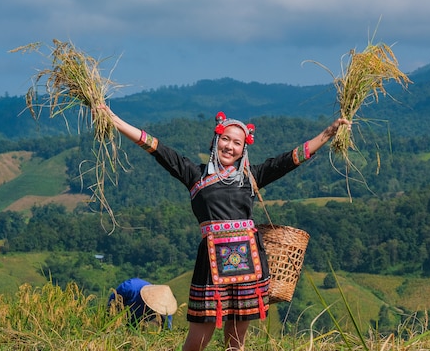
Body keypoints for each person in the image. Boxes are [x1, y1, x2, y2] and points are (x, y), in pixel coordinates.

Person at [98, 105, 350, 351]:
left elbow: (291, 159)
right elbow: (156, 148)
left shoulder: (252, 177)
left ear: (243, 150)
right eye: (225, 139)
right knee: (196, 341)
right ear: (215, 140)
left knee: (235, 343)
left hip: (249, 265)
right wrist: (114, 120)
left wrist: (328, 133)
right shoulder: (195, 175)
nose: (229, 146)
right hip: (211, 266)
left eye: (236, 143)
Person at [108, 277, 177, 329]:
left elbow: (167, 328)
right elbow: (112, 304)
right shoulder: (130, 287)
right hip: (121, 315)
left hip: (138, 324)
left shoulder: (165, 309)